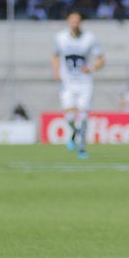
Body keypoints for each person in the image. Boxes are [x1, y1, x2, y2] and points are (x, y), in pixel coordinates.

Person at [51, 9, 105, 158]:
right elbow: (55, 56)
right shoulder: (60, 37)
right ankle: (74, 134)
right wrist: (56, 72)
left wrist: (91, 67)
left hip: (84, 83)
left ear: (80, 22)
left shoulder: (89, 38)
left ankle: (81, 148)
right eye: (72, 20)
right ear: (68, 22)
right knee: (69, 117)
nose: (74, 23)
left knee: (83, 117)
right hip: (67, 83)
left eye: (77, 20)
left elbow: (101, 59)